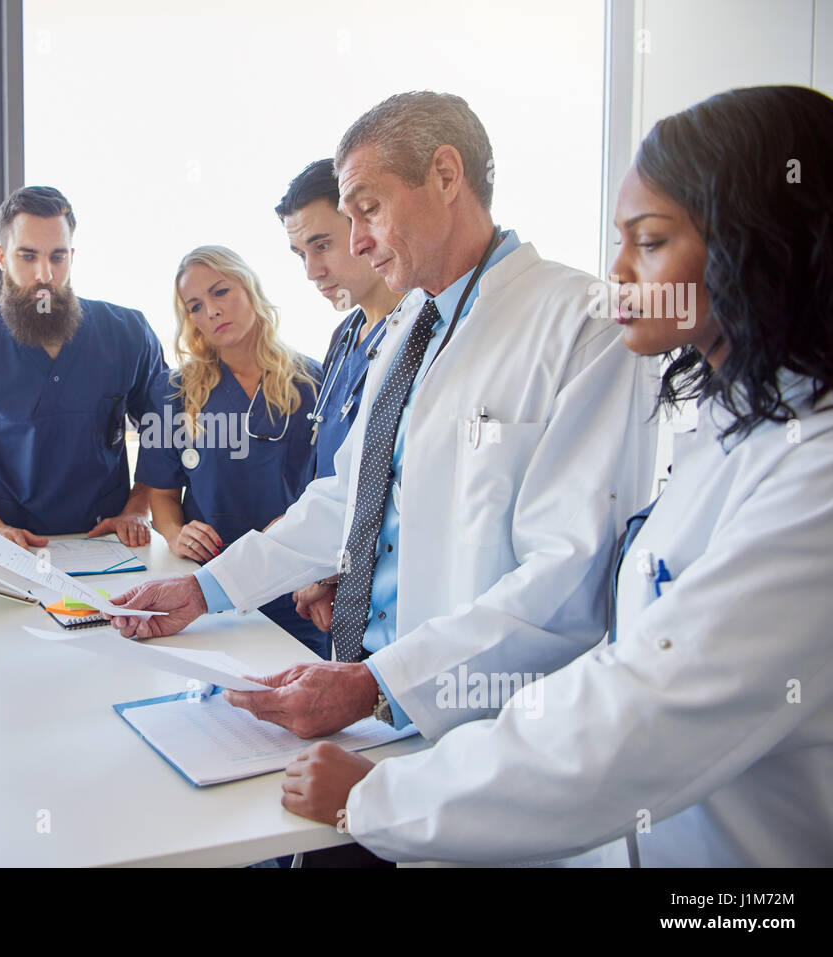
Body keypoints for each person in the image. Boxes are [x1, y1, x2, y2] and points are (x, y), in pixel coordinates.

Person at [278, 85, 833, 866]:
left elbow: (647, 708)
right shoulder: (732, 429)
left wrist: (380, 795)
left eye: (649, 241)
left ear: (761, 245)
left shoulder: (823, 473)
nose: (617, 273)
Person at [110, 92, 657, 752]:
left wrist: (381, 683)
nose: (358, 240)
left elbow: (568, 576)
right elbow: (346, 499)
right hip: (363, 699)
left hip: (478, 727)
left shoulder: (580, 323)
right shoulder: (403, 334)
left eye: (368, 208)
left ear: (446, 176)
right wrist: (204, 590)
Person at [0, 186, 164, 548]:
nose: (44, 274)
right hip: (8, 544)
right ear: (1, 257)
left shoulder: (128, 332)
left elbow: (162, 431)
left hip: (107, 541)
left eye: (58, 257)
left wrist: (139, 507)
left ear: (72, 257)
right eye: (27, 256)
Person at [134, 245, 329, 658]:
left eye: (221, 292)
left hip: (292, 586)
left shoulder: (315, 381)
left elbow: (332, 488)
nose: (212, 312)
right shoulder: (172, 392)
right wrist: (174, 534)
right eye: (196, 306)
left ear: (250, 287)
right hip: (206, 586)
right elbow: (161, 495)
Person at [278, 159, 407, 636]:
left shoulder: (421, 337)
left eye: (322, 245)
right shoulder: (345, 335)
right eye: (299, 254)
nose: (313, 270)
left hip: (393, 599)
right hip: (331, 589)